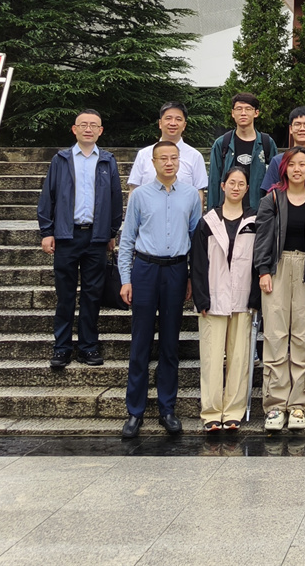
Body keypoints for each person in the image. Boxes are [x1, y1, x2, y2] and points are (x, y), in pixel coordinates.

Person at [116, 138, 201, 439]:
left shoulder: (191, 196)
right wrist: (126, 278)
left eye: (173, 158)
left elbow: (195, 239)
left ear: (180, 161)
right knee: (140, 341)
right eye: (162, 158)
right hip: (145, 269)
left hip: (176, 270)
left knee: (170, 342)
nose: (168, 163)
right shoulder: (140, 196)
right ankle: (134, 411)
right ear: (152, 163)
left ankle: (167, 408)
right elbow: (127, 239)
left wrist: (191, 277)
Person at [253, 147, 305, 432]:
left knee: (303, 338)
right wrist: (263, 270)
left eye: (302, 164)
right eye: (292, 164)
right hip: (277, 267)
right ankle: (275, 405)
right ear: (283, 168)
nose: (297, 169)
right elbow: (262, 237)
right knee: (275, 336)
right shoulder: (272, 199)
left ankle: (299, 404)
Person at [36, 109, 123, 371]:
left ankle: (88, 346)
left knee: (92, 295)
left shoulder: (107, 161)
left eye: (93, 125)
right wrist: (47, 232)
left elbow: (115, 199)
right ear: (74, 129)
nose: (88, 129)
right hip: (66, 235)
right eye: (83, 124)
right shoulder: (61, 160)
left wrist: (111, 232)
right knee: (64, 296)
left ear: (100, 131)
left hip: (96, 238)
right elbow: (48, 196)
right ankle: (61, 348)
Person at [190, 166, 258, 435]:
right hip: (213, 298)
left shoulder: (254, 220)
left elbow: (258, 262)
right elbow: (197, 263)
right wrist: (201, 298)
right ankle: (210, 412)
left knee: (239, 358)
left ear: (247, 188)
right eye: (232, 183)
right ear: (222, 186)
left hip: (243, 298)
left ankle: (233, 411)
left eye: (241, 183)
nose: (236, 187)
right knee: (211, 357)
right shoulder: (207, 222)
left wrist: (255, 297)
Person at [207, 93, 278, 211]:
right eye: (239, 109)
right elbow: (214, 181)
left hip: (258, 212)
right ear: (232, 113)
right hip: (227, 213)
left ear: (256, 113)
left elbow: (275, 183)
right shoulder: (222, 144)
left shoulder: (267, 143)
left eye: (248, 109)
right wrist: (212, 213)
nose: (243, 113)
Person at [128, 102, 209, 204]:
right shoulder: (143, 154)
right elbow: (133, 190)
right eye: (168, 118)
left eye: (178, 119)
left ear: (184, 125)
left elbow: (199, 195)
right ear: (160, 123)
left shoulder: (195, 156)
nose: (173, 123)